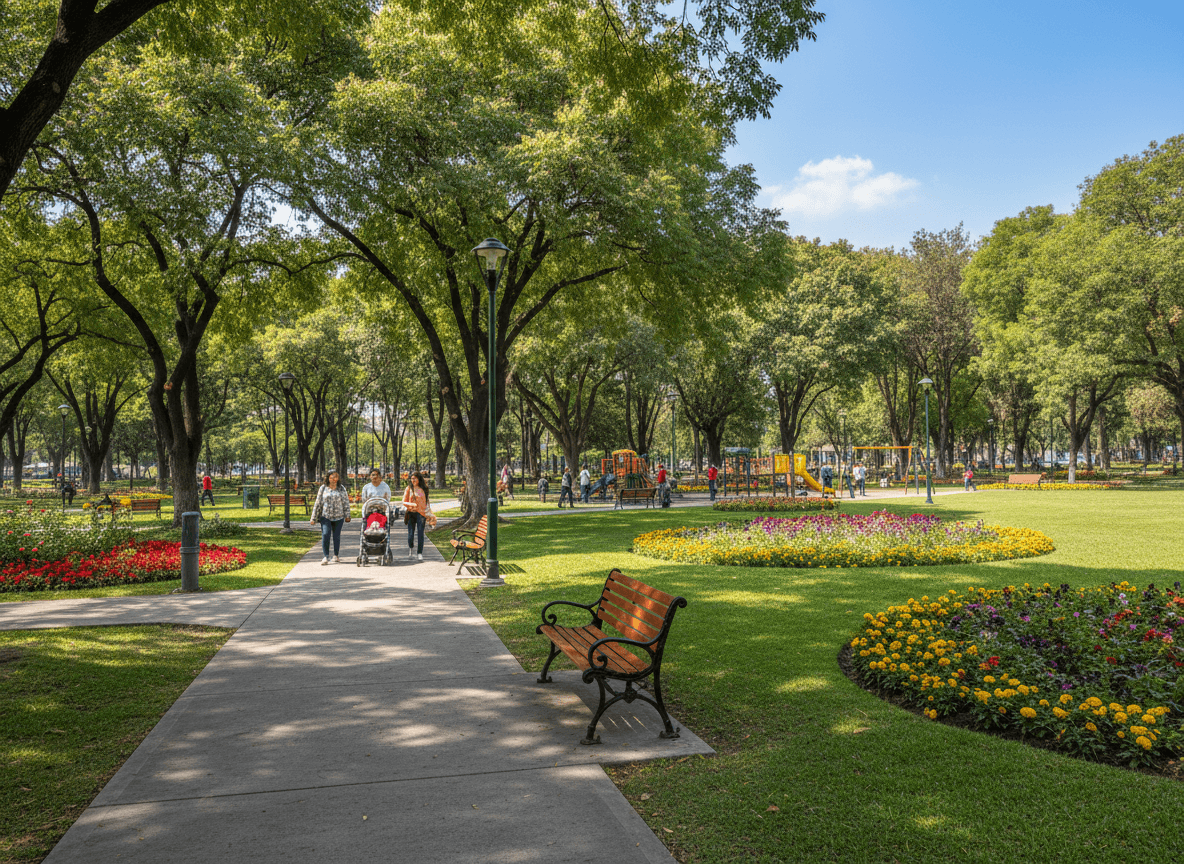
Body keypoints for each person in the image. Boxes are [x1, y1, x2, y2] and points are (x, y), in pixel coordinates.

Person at [311, 470, 351, 565]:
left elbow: (345, 502)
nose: (334, 479)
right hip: (325, 516)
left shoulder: (341, 488)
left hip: (339, 516)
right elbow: (318, 502)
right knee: (325, 534)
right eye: (332, 477)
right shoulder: (323, 488)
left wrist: (347, 515)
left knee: (336, 536)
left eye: (336, 477)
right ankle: (325, 557)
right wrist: (313, 517)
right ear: (328, 478)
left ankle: (336, 555)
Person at [402, 471, 434, 561]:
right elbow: (403, 502)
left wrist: (429, 513)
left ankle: (419, 553)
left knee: (420, 534)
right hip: (411, 513)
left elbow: (427, 502)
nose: (413, 480)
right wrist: (412, 505)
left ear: (419, 479)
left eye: (414, 479)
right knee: (410, 534)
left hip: (421, 514)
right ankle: (411, 549)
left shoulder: (424, 489)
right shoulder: (409, 488)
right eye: (412, 479)